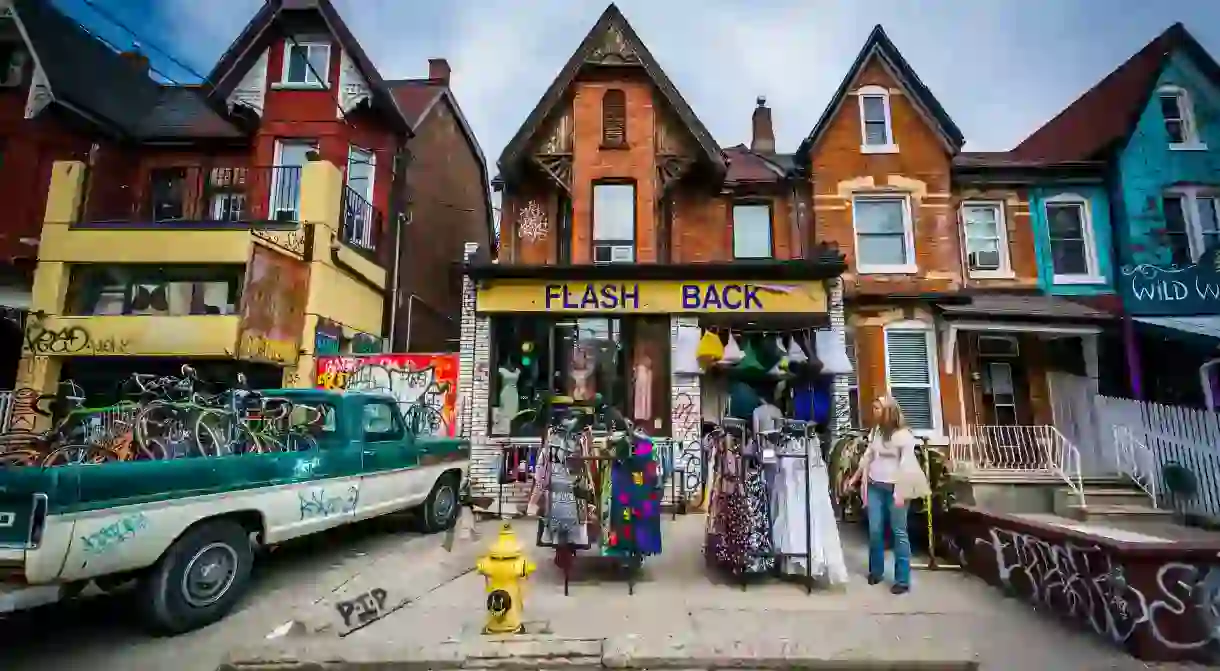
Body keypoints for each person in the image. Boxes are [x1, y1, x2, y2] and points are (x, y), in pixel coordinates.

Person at [844, 395, 930, 594]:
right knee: (875, 530)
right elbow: (868, 456)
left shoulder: (903, 435)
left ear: (888, 411)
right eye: (873, 408)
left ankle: (902, 579)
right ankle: (876, 570)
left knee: (899, 532)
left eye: (877, 408)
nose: (873, 412)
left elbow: (907, 465)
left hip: (895, 489)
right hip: (875, 485)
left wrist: (900, 492)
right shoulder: (876, 432)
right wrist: (855, 478)